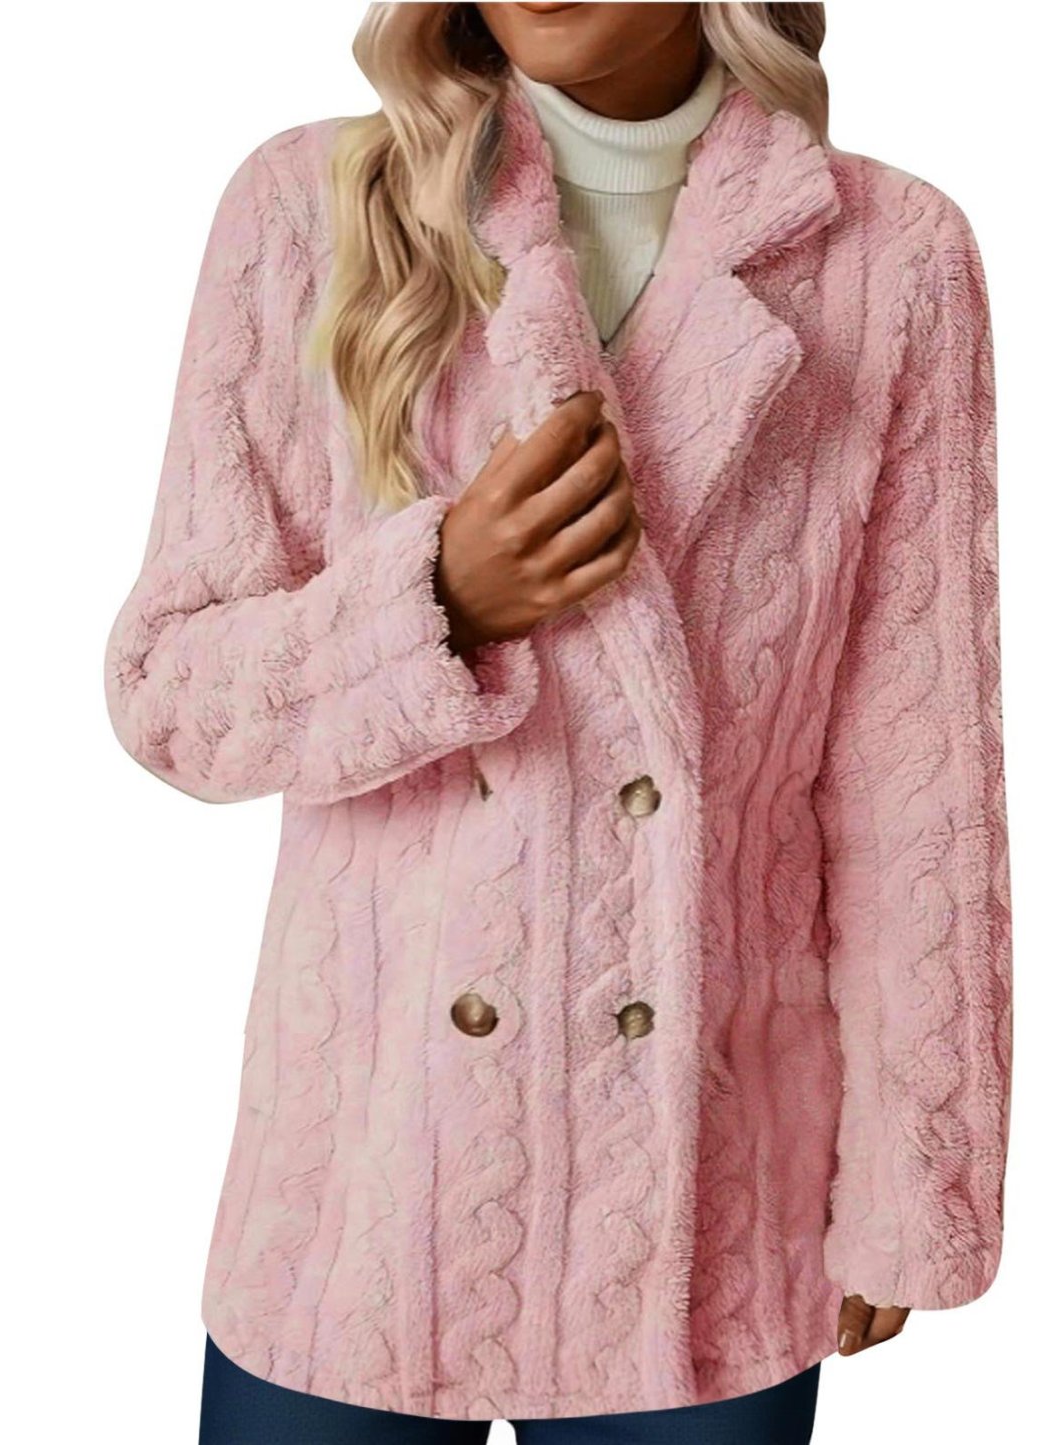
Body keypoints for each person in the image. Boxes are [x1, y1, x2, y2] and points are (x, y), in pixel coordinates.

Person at [102, 3, 1012, 1440]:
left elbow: (917, 770)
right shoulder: (312, 206)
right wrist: (436, 603)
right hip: (369, 1172)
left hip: (711, 1188)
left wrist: (916, 1181)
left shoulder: (888, 255)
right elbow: (171, 694)